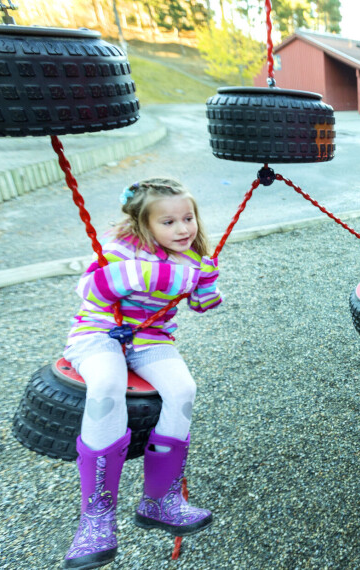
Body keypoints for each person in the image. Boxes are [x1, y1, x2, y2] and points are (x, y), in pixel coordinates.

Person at [61, 177, 221, 569]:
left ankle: (160, 501)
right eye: (168, 223)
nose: (183, 229)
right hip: (99, 332)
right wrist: (182, 275)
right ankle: (96, 519)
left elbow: (203, 305)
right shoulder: (120, 250)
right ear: (143, 225)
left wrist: (208, 279)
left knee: (184, 389)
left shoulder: (192, 258)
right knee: (107, 383)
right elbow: (92, 289)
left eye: (188, 218)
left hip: (150, 338)